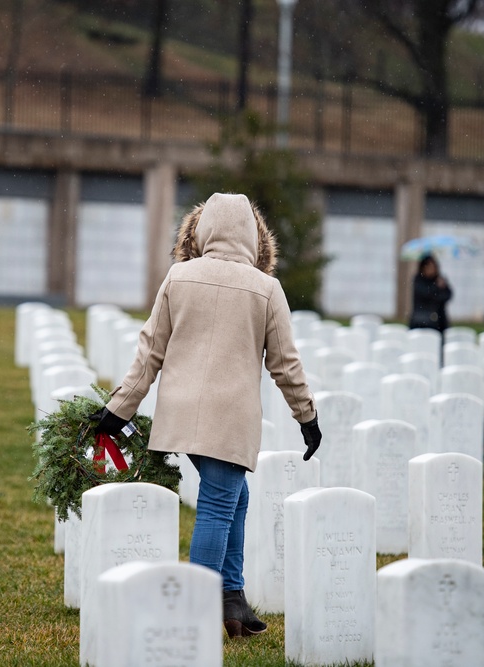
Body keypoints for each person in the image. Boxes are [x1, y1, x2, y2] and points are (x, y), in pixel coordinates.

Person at [92, 192, 321, 638]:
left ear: (201, 230)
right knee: (218, 505)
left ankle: (232, 599)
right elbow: (285, 364)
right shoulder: (266, 288)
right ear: (255, 236)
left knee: (237, 497)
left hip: (181, 415)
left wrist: (118, 410)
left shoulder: (179, 277)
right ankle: (191, 612)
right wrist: (307, 417)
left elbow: (149, 352)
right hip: (229, 420)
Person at [409, 254, 452, 333]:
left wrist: (442, 287)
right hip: (421, 321)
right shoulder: (419, 280)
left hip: (439, 321)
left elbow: (447, 295)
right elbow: (426, 294)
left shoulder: (439, 279)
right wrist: (437, 287)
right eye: (428, 267)